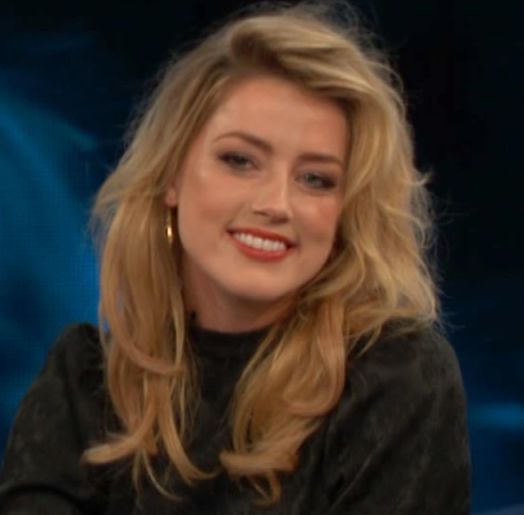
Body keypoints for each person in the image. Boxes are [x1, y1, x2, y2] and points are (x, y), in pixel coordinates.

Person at [0, 2, 471, 514]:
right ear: (172, 175)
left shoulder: (396, 379)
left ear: (345, 213)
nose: (276, 204)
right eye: (240, 160)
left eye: (315, 179)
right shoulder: (84, 382)